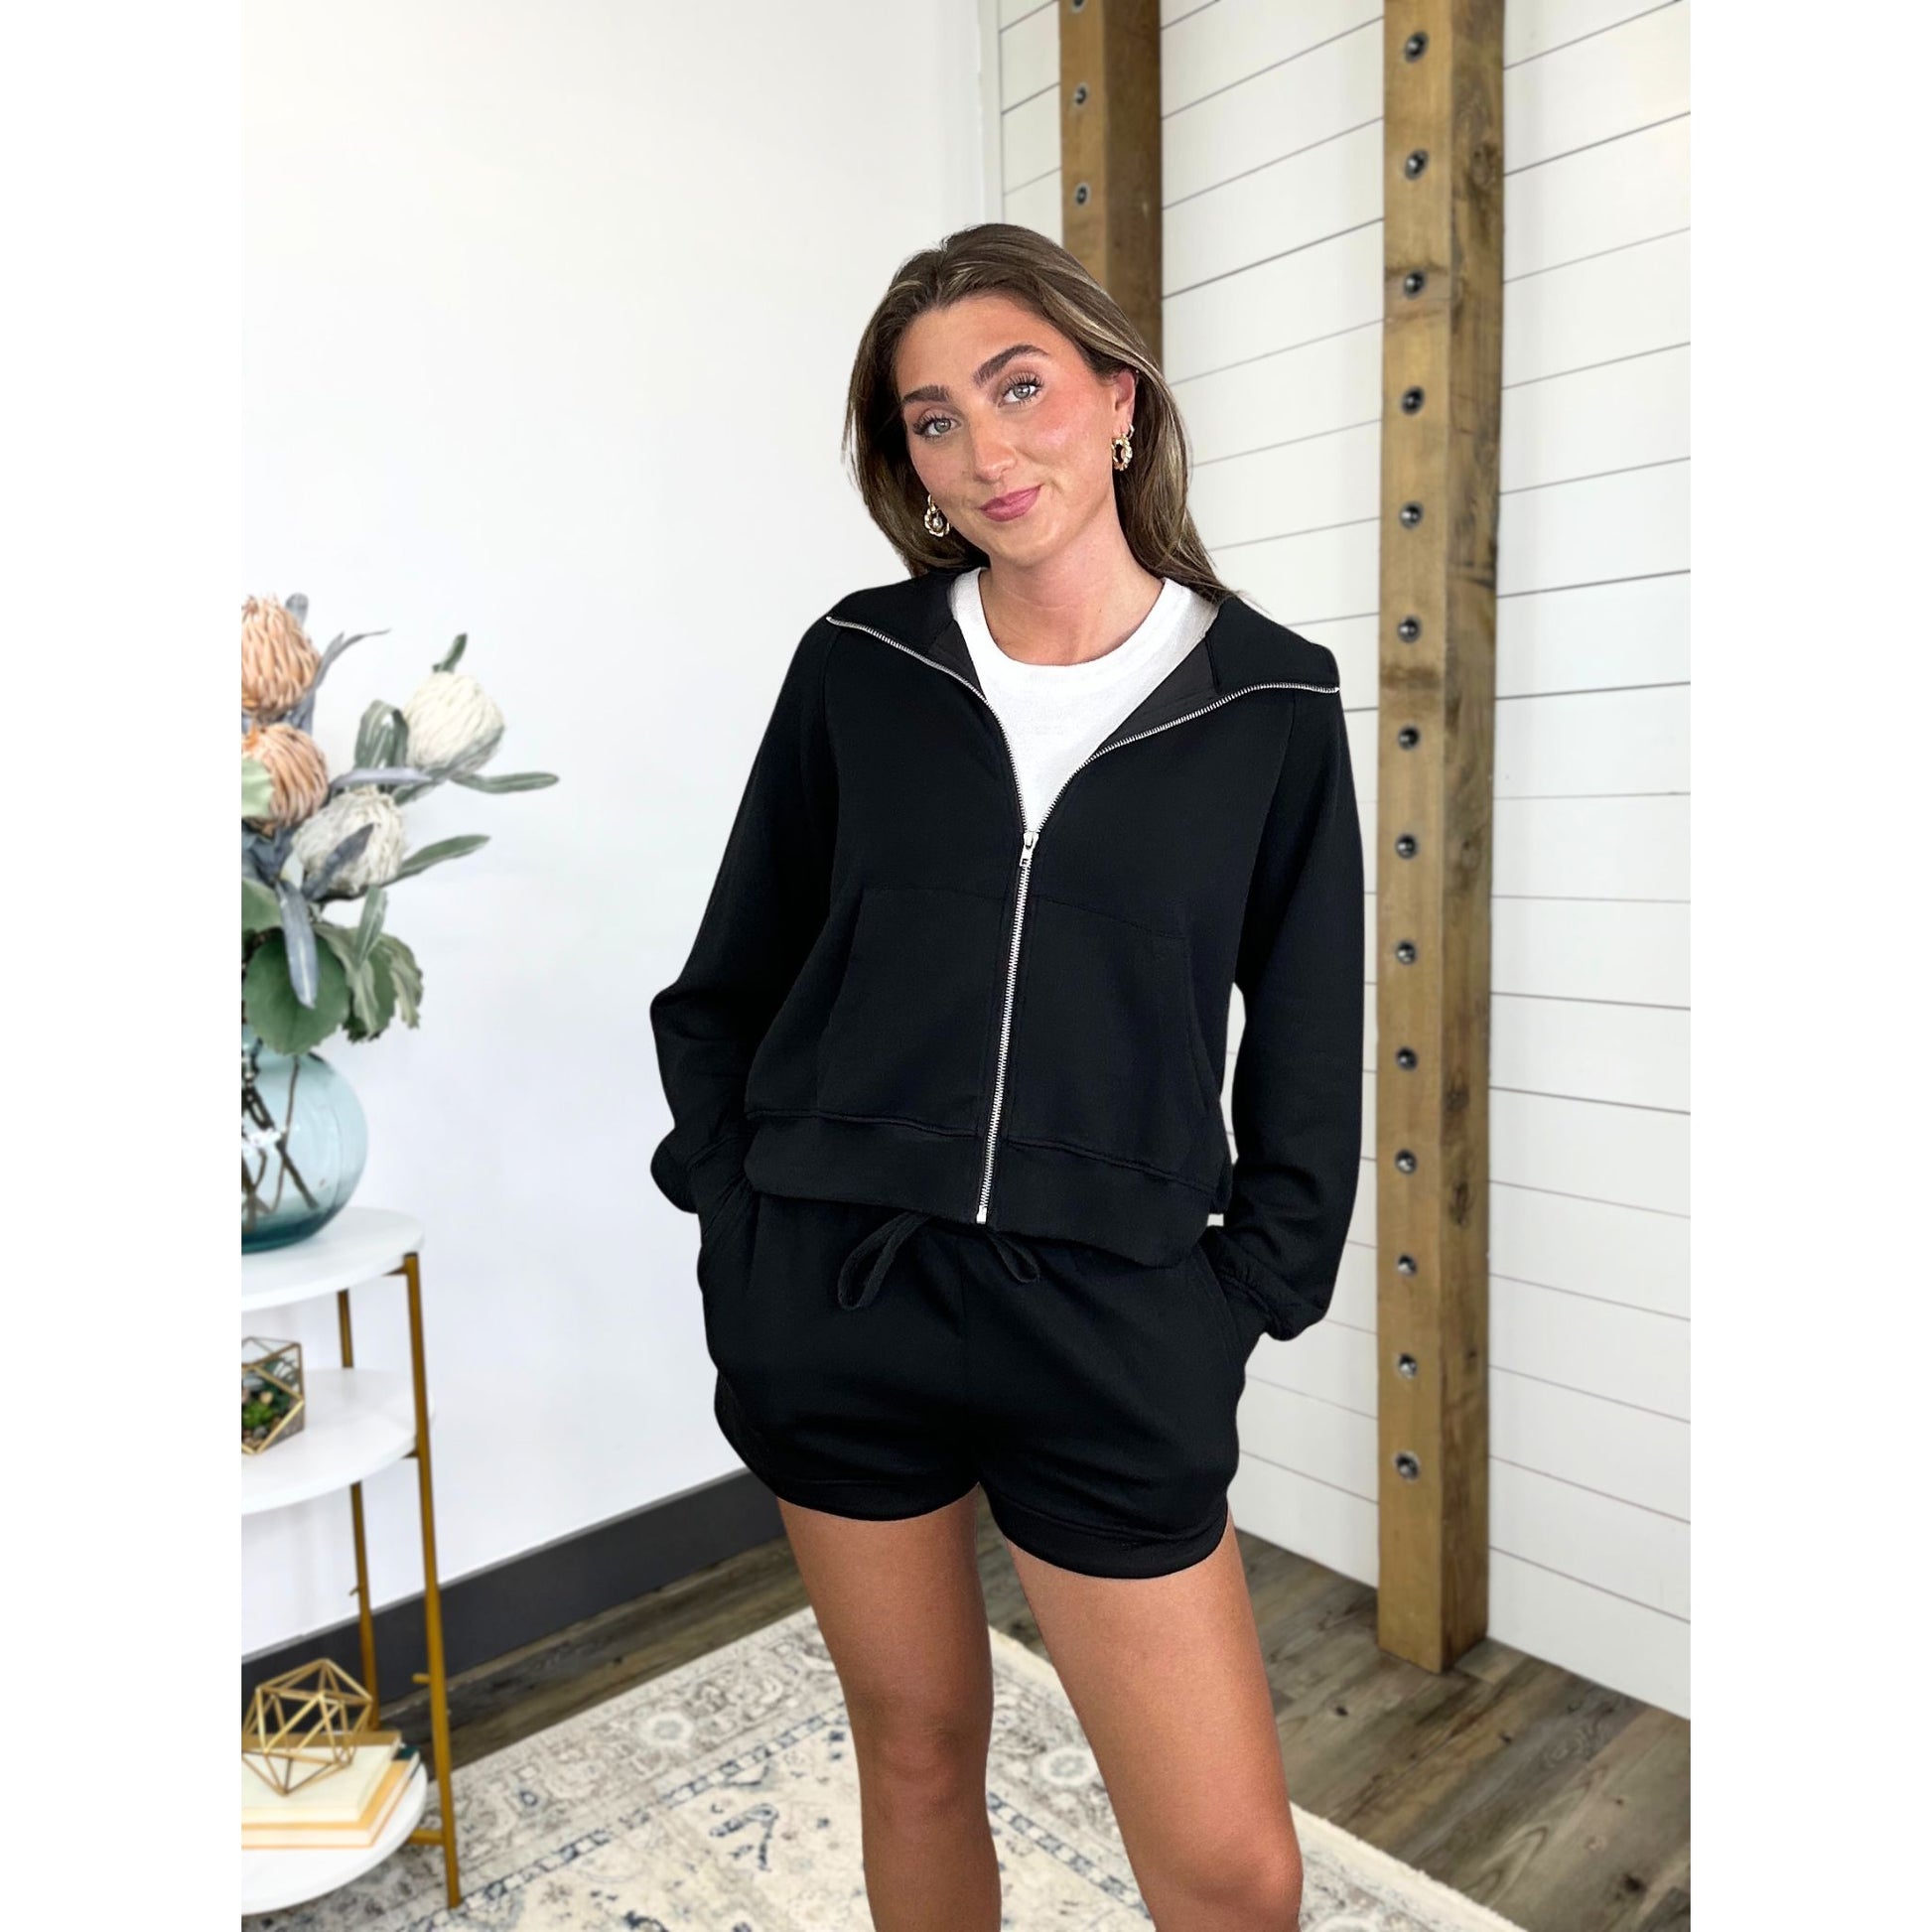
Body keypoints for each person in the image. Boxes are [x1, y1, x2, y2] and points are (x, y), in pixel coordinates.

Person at [649, 220, 1363, 1931]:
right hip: (839, 1289)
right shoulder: (862, 663)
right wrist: (743, 1226)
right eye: (932, 419)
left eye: (1019, 387)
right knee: (913, 1753)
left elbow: (1310, 1040)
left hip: (1109, 1317)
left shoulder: (1270, 698)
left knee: (1233, 1873)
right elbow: (730, 977)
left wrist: (1238, 1296)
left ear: (1120, 399)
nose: (982, 449)